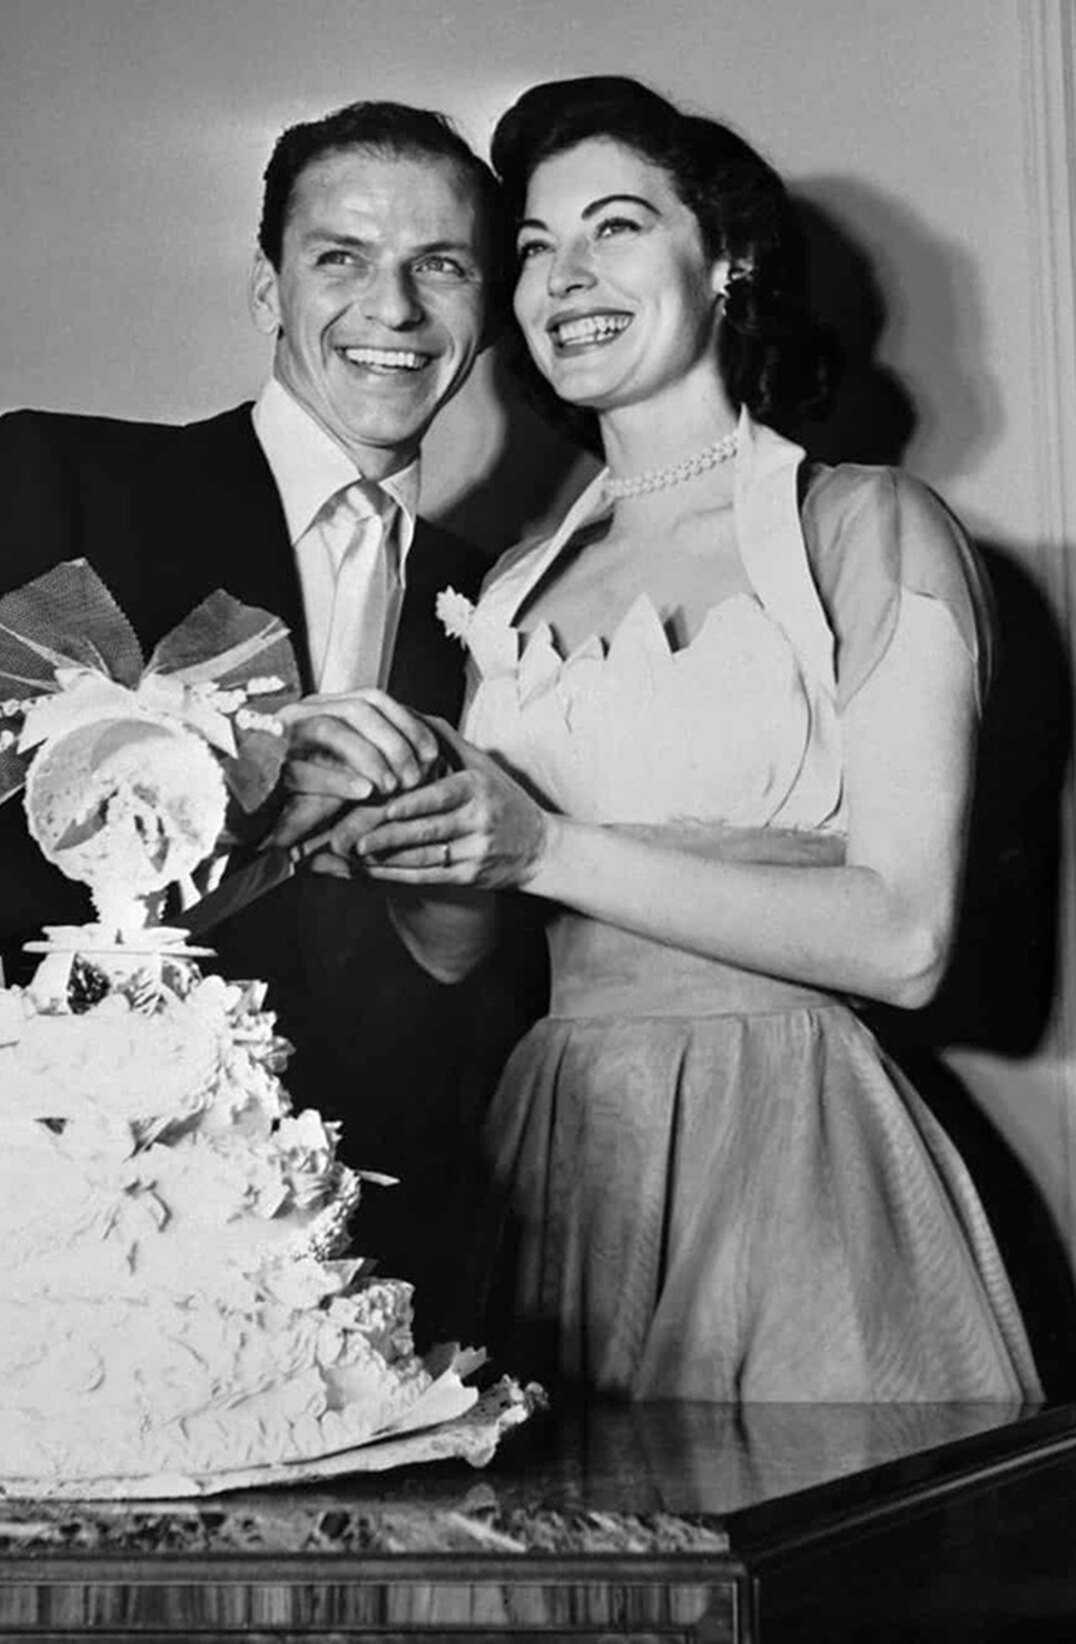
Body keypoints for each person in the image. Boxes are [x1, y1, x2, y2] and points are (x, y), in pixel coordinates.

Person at [319, 76, 1043, 1400]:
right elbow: (463, 952)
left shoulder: (867, 525)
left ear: (729, 260)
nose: (563, 278)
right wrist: (402, 838)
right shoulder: (513, 583)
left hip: (789, 1145)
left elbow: (906, 940)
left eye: (616, 226)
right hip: (552, 1154)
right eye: (532, 247)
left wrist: (540, 845)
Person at [0, 100, 542, 1326]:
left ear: (486, 308)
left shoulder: (506, 601)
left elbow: (493, 995)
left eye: (440, 266)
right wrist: (247, 798)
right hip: (103, 1251)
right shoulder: (67, 480)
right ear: (268, 288)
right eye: (341, 258)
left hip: (398, 1271)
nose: (393, 309)